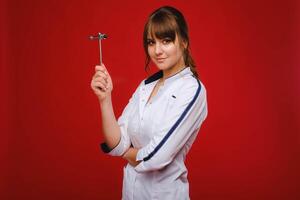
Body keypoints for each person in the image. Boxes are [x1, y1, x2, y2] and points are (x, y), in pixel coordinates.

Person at [90, 6, 208, 200]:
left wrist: (125, 152)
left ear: (184, 42)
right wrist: (105, 98)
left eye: (166, 41)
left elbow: (156, 157)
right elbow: (116, 142)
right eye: (151, 42)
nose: (157, 50)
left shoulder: (192, 90)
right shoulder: (145, 87)